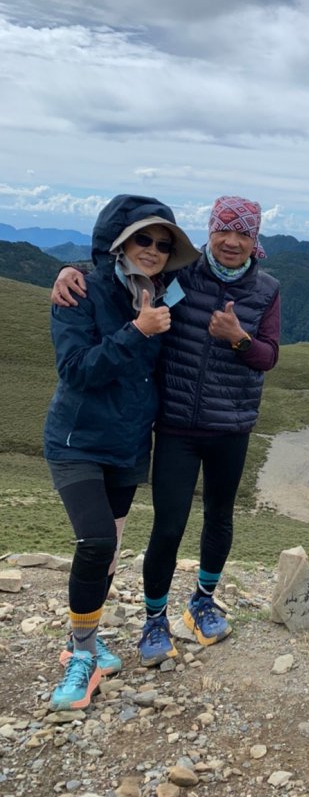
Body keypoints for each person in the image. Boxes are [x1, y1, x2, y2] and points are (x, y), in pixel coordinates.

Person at [52, 195, 280, 667]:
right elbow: (121, 268)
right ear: (210, 232)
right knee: (168, 525)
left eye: (244, 233)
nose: (233, 241)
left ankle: (202, 600)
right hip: (176, 424)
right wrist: (68, 269)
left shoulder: (267, 289)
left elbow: (268, 357)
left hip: (232, 424)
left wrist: (238, 338)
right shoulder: (179, 278)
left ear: (255, 240)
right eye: (224, 230)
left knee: (219, 517)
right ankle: (154, 619)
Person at [45, 195, 199, 710]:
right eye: (142, 239)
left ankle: (82, 638)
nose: (153, 250)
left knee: (108, 551)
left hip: (130, 445)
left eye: (163, 243)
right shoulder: (82, 291)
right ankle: (82, 657)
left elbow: (223, 280)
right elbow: (76, 369)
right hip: (77, 441)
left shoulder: (161, 293)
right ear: (118, 241)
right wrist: (136, 331)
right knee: (92, 542)